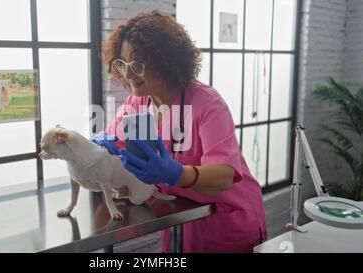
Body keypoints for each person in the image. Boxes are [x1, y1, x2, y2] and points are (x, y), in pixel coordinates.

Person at [92, 10, 267, 252]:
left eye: (137, 64)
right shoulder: (138, 103)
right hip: (180, 221)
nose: (128, 73)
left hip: (226, 220)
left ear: (165, 62)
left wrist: (174, 173)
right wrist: (94, 147)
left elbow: (225, 176)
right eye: (122, 64)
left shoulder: (207, 104)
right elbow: (112, 145)